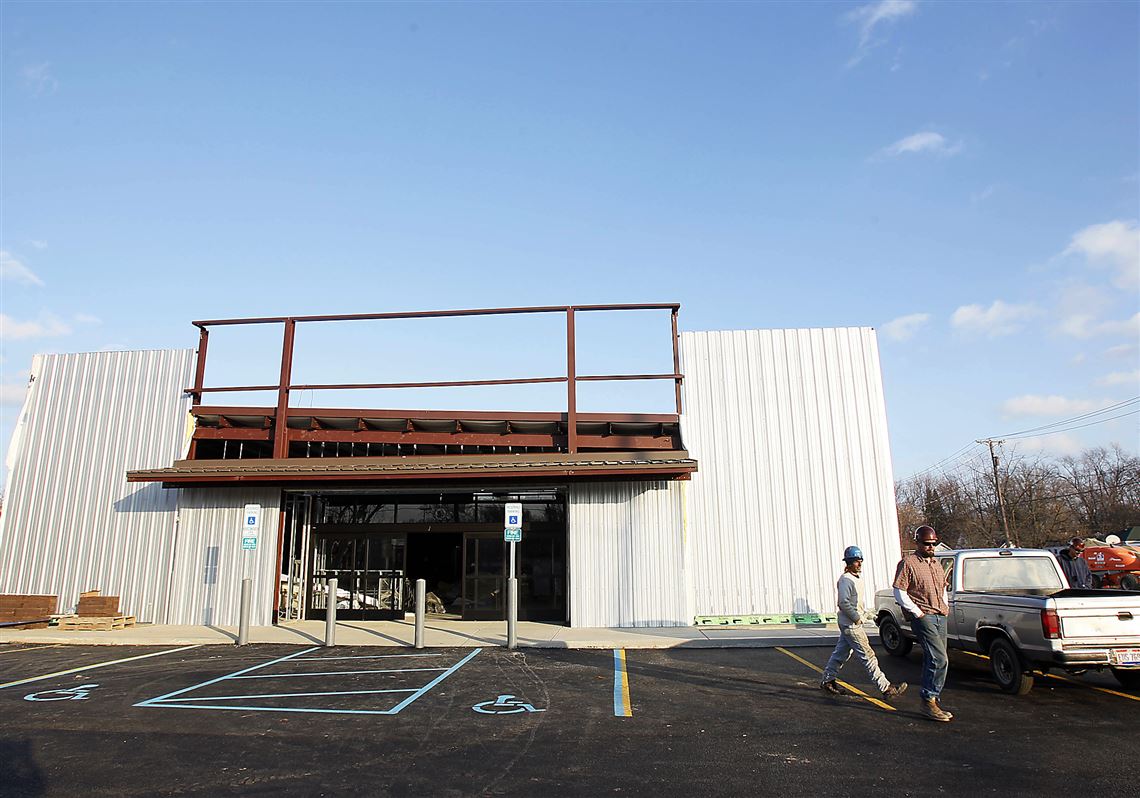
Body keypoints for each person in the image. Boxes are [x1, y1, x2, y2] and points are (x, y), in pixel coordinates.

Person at [820, 545, 907, 701]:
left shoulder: (855, 579)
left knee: (841, 654)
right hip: (852, 625)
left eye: (860, 561)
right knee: (868, 656)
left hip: (850, 624)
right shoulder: (846, 580)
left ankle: (827, 680)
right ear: (848, 562)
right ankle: (886, 687)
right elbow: (843, 603)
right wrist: (856, 618)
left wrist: (871, 616)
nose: (859, 564)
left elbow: (857, 605)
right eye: (855, 561)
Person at [893, 525, 953, 722]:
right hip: (923, 616)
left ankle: (932, 699)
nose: (931, 547)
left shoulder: (936, 564)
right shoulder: (908, 563)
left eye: (933, 544)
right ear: (918, 542)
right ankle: (928, 699)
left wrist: (945, 604)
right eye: (927, 544)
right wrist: (917, 612)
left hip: (939, 615)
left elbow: (943, 587)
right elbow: (899, 591)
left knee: (933, 658)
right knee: (939, 659)